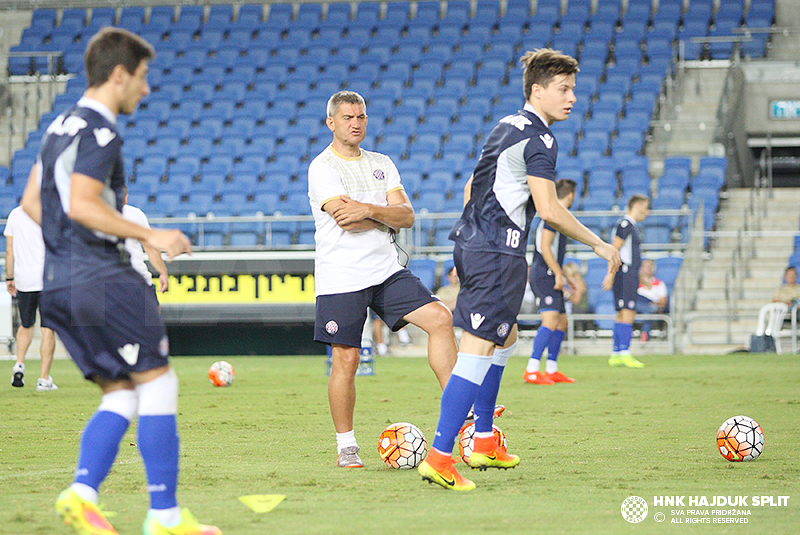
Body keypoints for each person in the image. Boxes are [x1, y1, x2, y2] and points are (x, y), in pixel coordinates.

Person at [20, 27, 220, 535]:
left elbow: (32, 204)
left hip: (59, 284)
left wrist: (72, 246)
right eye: (143, 77)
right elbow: (85, 204)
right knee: (159, 383)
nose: (146, 89)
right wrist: (150, 234)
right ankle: (166, 517)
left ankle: (82, 493)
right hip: (104, 282)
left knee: (121, 395)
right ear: (119, 75)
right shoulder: (100, 132)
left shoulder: (58, 126)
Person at [417, 49, 621, 491]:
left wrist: (470, 241)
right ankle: (439, 456)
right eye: (563, 89)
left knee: (504, 337)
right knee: (475, 350)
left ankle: (486, 439)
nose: (572, 98)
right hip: (495, 252)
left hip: (487, 249)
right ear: (537, 90)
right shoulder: (541, 139)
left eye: (573, 89)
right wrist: (601, 244)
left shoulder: (506, 126)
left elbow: (475, 184)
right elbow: (548, 209)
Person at [308, 90, 458, 468]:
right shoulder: (322, 167)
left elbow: (406, 216)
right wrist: (383, 214)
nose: (356, 123)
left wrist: (370, 211)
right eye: (347, 118)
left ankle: (461, 416)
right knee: (347, 359)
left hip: (386, 269)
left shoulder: (381, 162)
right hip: (341, 275)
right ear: (332, 123)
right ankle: (346, 445)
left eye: (361, 117)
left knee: (440, 318)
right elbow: (346, 220)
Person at [524, 178, 578, 385]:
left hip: (550, 271)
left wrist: (566, 275)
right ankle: (532, 368)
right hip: (543, 273)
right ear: (571, 195)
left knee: (562, 321)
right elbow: (545, 247)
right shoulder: (551, 216)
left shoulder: (558, 215)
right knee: (550, 320)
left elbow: (553, 252)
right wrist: (557, 273)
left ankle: (552, 368)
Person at [4, 205, 58, 390]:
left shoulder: (14, 214)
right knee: (47, 328)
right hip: (47, 278)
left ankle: (19, 364)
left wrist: (10, 277)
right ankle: (44, 379)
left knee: (25, 324)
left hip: (24, 279)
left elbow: (9, 251)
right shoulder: (50, 212)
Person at [602, 194, 650, 367]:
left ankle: (616, 353)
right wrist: (610, 273)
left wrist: (641, 276)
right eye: (645, 207)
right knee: (628, 312)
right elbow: (615, 249)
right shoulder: (625, 224)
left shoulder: (632, 227)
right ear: (636, 206)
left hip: (629, 273)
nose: (647, 211)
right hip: (624, 273)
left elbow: (630, 255)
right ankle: (625, 352)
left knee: (622, 313)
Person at [123, 186, 169, 297]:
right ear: (126, 197)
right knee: (151, 313)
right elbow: (150, 248)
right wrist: (162, 272)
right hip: (137, 278)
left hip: (105, 282)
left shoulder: (94, 216)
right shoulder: (135, 214)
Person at [636, 259, 668, 341]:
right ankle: (645, 335)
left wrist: (653, 303)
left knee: (648, 311)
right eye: (646, 267)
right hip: (638, 305)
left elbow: (663, 302)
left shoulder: (659, 284)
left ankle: (644, 336)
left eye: (650, 267)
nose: (648, 269)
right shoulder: (636, 283)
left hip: (653, 306)